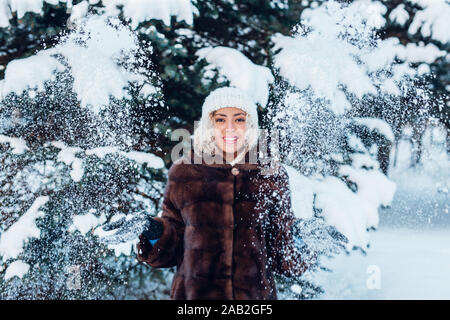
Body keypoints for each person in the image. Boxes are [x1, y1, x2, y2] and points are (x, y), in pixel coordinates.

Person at [136, 87, 315, 300]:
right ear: (208, 125)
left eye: (239, 120)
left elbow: (283, 255)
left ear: (250, 125)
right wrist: (153, 231)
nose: (230, 128)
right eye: (220, 120)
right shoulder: (185, 172)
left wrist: (304, 237)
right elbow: (172, 248)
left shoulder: (270, 174)